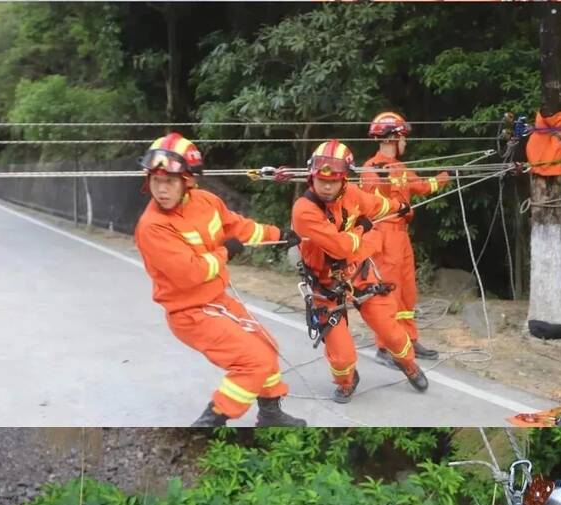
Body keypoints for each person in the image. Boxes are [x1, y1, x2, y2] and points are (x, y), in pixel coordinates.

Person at [134, 133, 305, 429]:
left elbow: (239, 227)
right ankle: (210, 423)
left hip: (217, 301)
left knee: (266, 345)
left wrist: (278, 234)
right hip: (190, 312)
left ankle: (270, 415)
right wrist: (226, 252)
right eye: (156, 181)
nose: (161, 190)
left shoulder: (207, 202)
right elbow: (191, 274)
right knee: (253, 361)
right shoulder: (152, 227)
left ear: (188, 181)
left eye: (170, 182)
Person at [291, 140, 429, 399]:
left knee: (393, 333)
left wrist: (399, 207)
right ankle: (346, 380)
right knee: (342, 358)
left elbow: (377, 206)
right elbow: (340, 248)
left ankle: (408, 364)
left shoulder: (352, 195)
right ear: (312, 177)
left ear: (344, 179)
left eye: (334, 180)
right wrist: (363, 230)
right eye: (321, 180)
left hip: (359, 274)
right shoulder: (304, 211)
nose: (327, 186)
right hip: (326, 286)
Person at [361, 112, 450, 364]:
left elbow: (422, 186)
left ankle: (408, 339)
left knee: (407, 291)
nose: (405, 143)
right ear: (392, 138)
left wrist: (446, 177)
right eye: (403, 138)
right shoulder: (369, 169)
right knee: (387, 291)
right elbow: (367, 203)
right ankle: (384, 346)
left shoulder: (400, 168)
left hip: (401, 236)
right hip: (383, 235)